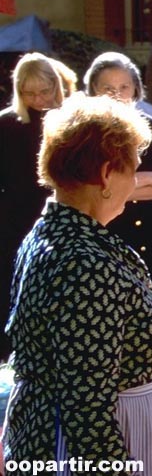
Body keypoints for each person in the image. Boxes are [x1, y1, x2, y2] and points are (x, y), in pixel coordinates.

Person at [2, 95, 152, 474]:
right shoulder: (85, 264)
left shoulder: (52, 232)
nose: (134, 182)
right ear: (105, 174)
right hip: (87, 447)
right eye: (131, 168)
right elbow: (86, 411)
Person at [84, 51, 152, 296]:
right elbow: (91, 193)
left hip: (148, 246)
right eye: (108, 88)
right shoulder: (83, 133)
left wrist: (118, 190)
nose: (117, 95)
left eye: (124, 87)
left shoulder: (150, 127)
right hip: (103, 248)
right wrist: (148, 178)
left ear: (136, 90)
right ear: (94, 90)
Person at [0, 52, 66, 361]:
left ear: (56, 86)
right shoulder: (6, 125)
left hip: (58, 223)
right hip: (14, 223)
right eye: (29, 93)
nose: (38, 99)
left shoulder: (69, 121)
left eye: (44, 91)